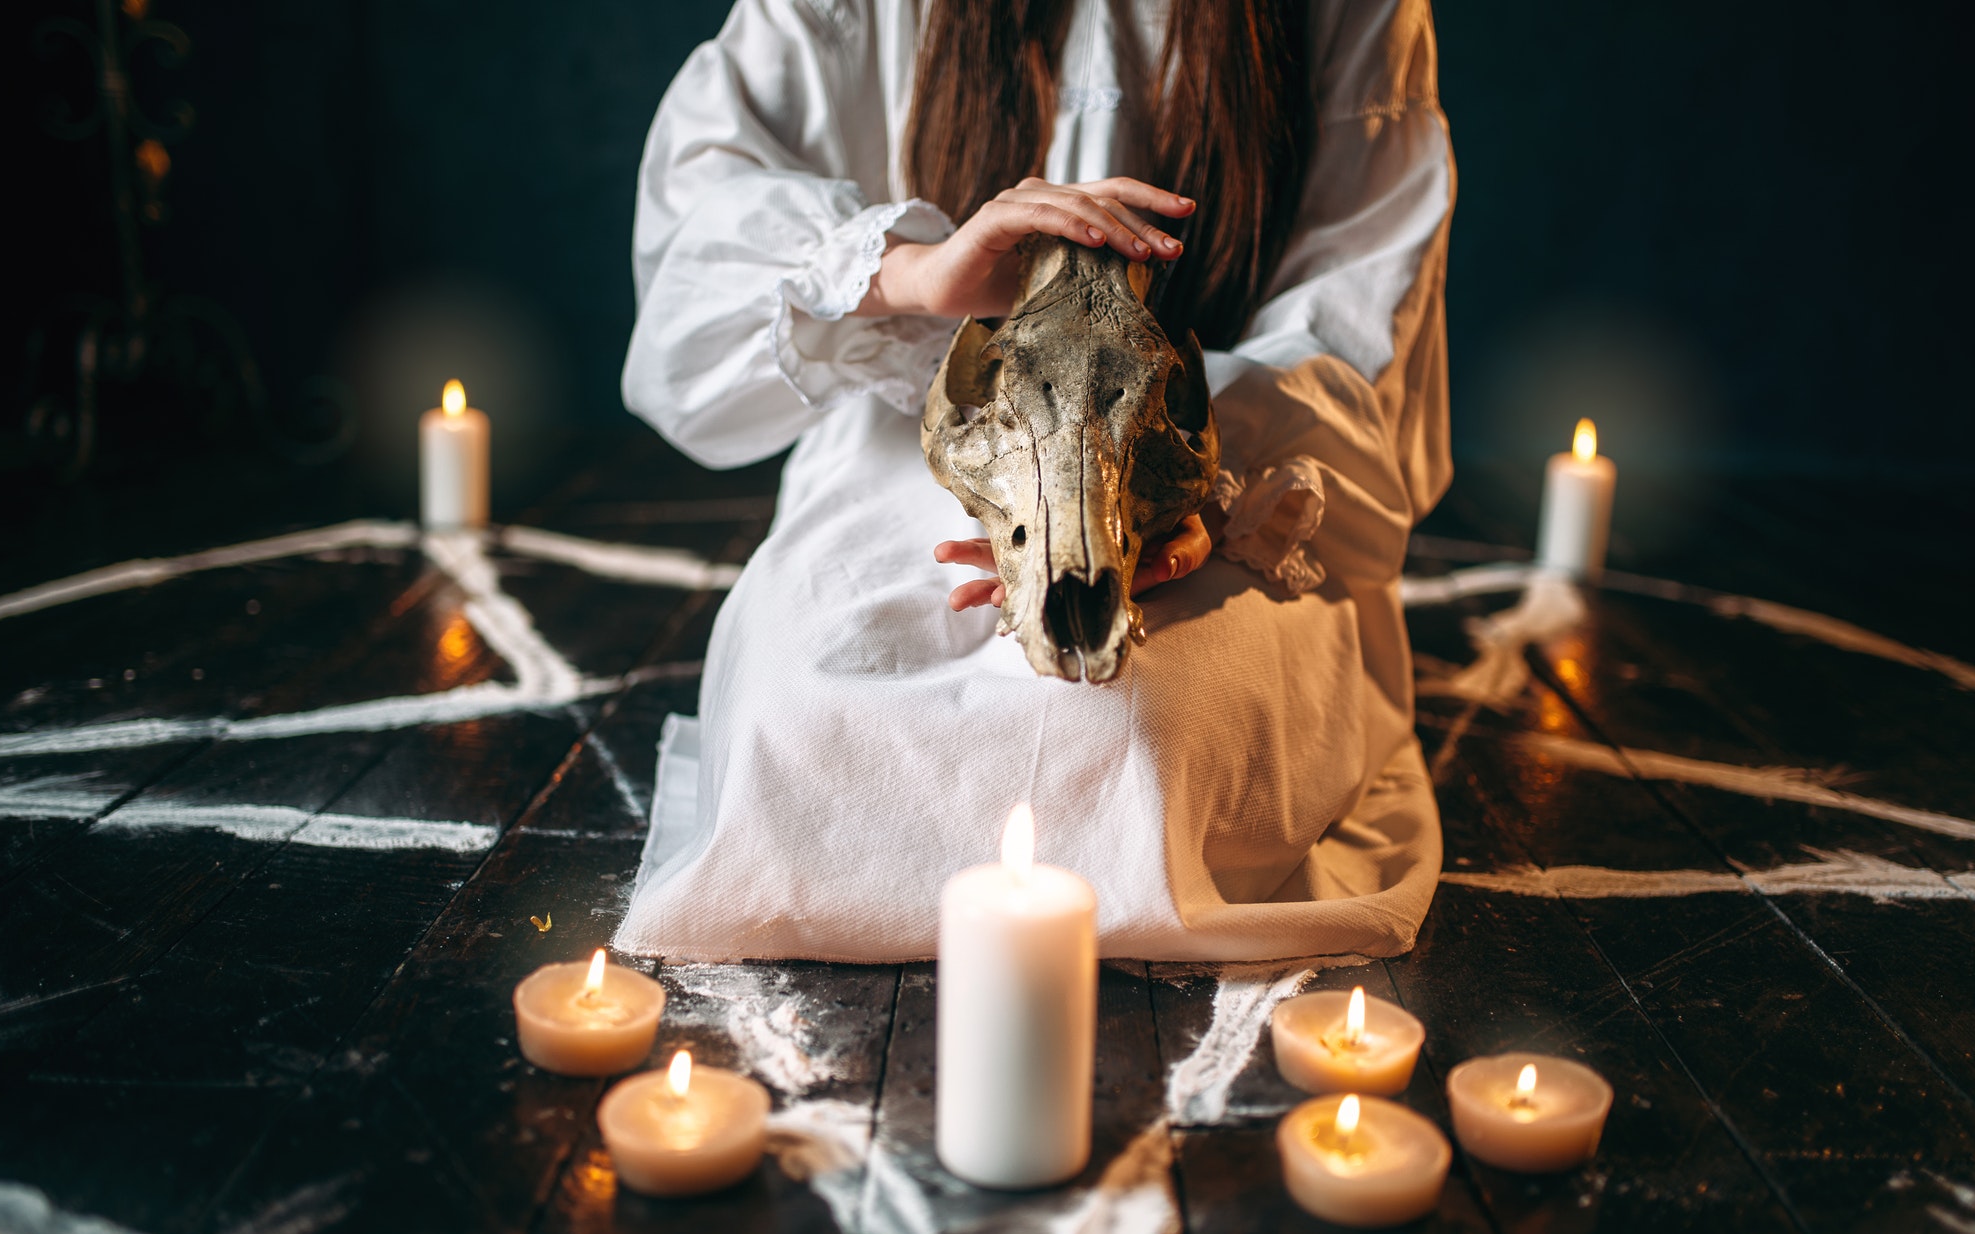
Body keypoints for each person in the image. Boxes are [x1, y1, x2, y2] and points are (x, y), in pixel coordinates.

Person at [615, 0, 1454, 962]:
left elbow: (1355, 307)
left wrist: (1184, 491)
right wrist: (917, 273)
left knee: (1151, 748)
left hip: (1222, 473)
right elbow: (702, 212)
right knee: (818, 708)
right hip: (909, 438)